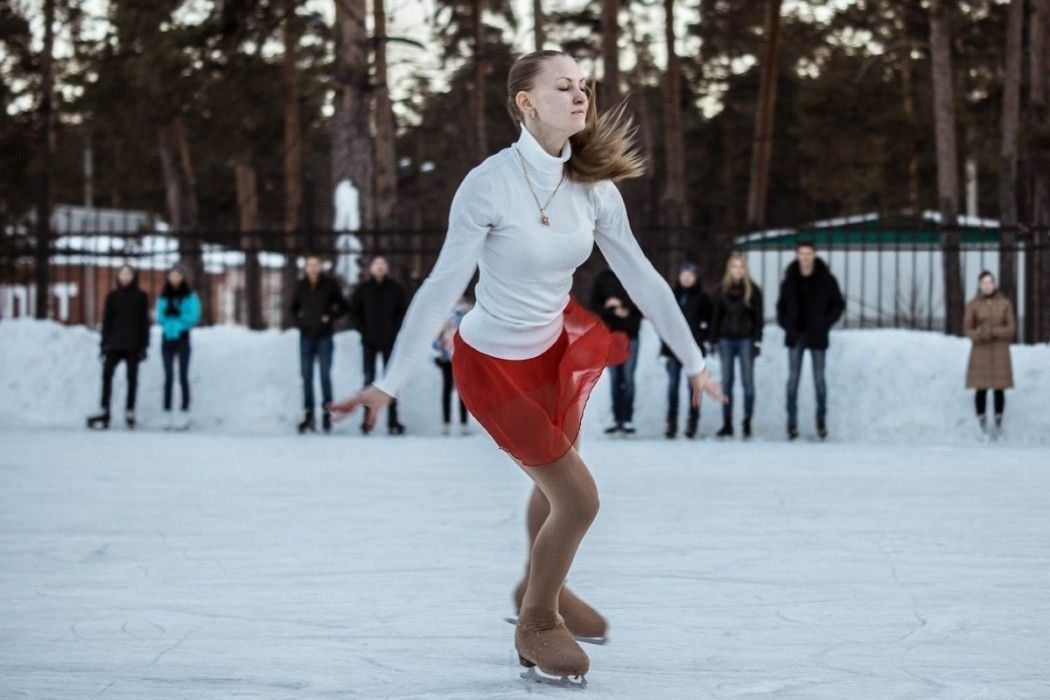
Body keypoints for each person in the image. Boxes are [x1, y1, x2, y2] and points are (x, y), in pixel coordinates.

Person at [328, 50, 724, 684]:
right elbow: (441, 286)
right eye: (563, 86)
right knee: (579, 498)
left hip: (555, 353)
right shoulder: (489, 183)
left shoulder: (594, 188)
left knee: (552, 488)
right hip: (493, 364)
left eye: (584, 85)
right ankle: (537, 622)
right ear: (526, 101)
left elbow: (644, 278)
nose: (581, 95)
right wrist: (388, 383)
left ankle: (539, 588)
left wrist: (696, 359)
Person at [775, 241, 844, 441]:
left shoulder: (827, 279)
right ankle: (791, 423)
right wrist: (787, 325)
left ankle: (821, 421)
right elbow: (781, 307)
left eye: (808, 254)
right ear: (797, 255)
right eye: (802, 254)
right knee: (793, 380)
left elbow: (838, 304)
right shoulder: (789, 280)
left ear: (814, 255)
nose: (805, 257)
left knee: (819, 380)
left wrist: (825, 323)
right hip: (796, 335)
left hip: (817, 335)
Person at [290, 254, 350, 434]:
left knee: (325, 376)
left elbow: (343, 306)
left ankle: (326, 414)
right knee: (306, 376)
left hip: (325, 336)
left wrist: (329, 317)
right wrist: (300, 322)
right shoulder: (301, 285)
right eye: (310, 264)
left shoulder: (330, 285)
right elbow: (293, 309)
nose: (313, 267)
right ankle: (309, 415)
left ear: (320, 266)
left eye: (316, 264)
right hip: (306, 336)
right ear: (306, 267)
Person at [86, 263, 150, 430]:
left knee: (132, 379)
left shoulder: (141, 297)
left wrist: (144, 346)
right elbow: (107, 321)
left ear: (134, 277)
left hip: (133, 345)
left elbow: (144, 323)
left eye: (129, 274)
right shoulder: (112, 297)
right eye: (123, 274)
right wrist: (103, 344)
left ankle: (130, 411)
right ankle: (104, 409)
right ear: (118, 276)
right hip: (114, 344)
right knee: (107, 376)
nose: (125, 277)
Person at [349, 256, 408, 435]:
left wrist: (394, 330)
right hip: (369, 341)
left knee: (391, 380)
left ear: (387, 267)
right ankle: (367, 420)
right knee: (369, 380)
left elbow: (403, 312)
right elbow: (354, 313)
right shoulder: (363, 289)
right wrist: (363, 330)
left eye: (383, 264)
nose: (380, 267)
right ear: (371, 268)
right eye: (376, 264)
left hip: (389, 341)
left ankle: (393, 420)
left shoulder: (395, 289)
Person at [710, 253, 764, 439]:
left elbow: (758, 318)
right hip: (726, 340)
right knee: (727, 382)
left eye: (740, 267)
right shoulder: (721, 290)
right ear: (729, 269)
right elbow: (715, 316)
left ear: (745, 269)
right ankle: (727, 423)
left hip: (746, 340)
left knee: (748, 382)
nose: (737, 270)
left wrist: (757, 340)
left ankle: (747, 422)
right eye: (734, 266)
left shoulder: (753, 291)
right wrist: (713, 338)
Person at [660, 261, 712, 439]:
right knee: (672, 386)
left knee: (694, 388)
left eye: (690, 275)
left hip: (693, 350)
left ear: (695, 278)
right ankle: (672, 422)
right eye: (683, 274)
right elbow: (664, 321)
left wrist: (701, 337)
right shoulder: (671, 295)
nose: (686, 278)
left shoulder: (703, 298)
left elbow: (710, 322)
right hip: (673, 348)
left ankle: (692, 422)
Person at [589, 268, 642, 435]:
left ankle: (627, 419)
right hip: (610, 336)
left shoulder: (635, 276)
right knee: (615, 379)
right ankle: (616, 419)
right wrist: (612, 309)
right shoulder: (603, 278)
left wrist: (622, 306)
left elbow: (643, 304)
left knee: (628, 378)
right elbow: (594, 304)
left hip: (630, 336)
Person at [963, 271, 1015, 439]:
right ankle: (982, 423)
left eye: (990, 282)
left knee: (999, 388)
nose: (987, 286)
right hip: (980, 352)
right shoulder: (973, 305)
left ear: (994, 283)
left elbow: (1010, 328)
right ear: (980, 285)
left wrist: (994, 332)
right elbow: (967, 329)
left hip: (1000, 351)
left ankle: (999, 422)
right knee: (981, 388)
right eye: (984, 283)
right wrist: (980, 334)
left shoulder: (1005, 303)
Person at [156, 263, 201, 430]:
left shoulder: (190, 296)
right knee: (168, 377)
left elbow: (193, 317)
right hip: (167, 338)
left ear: (183, 277)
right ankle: (167, 411)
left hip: (182, 338)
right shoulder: (164, 296)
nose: (175, 278)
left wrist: (178, 319)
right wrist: (169, 319)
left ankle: (184, 411)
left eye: (178, 275)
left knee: (183, 376)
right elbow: (159, 317)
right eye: (172, 275)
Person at [432, 295, 473, 435]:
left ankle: (463, 423)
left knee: (462, 389)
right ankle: (446, 422)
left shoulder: (468, 310)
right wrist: (437, 351)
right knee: (447, 387)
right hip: (446, 356)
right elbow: (437, 334)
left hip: (462, 356)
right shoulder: (444, 309)